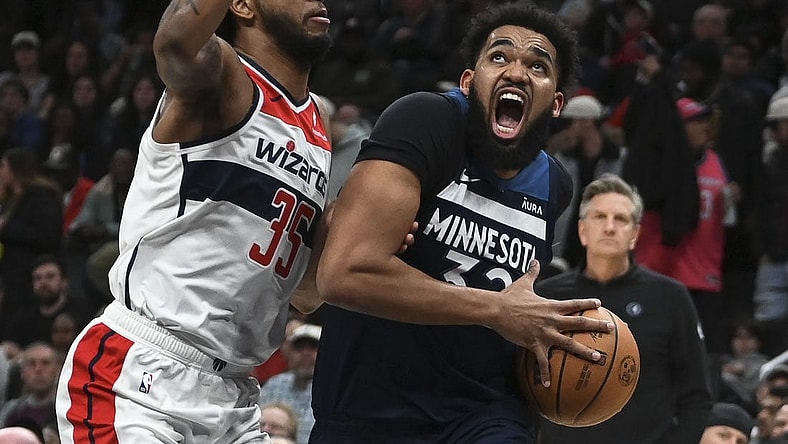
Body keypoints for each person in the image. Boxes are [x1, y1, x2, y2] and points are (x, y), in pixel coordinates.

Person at [310, 3, 615, 442]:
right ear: (469, 82)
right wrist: (496, 310)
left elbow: (519, 306)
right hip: (370, 409)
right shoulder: (424, 121)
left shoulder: (555, 186)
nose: (516, 72)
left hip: (483, 414)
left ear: (556, 104)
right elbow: (342, 275)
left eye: (537, 65)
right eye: (499, 57)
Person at [55, 0, 334, 443]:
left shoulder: (317, 126)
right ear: (242, 6)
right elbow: (175, 44)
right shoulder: (224, 73)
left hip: (235, 396)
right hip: (143, 377)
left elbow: (304, 294)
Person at [535, 174, 712, 443]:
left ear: (635, 234)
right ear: (582, 231)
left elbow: (697, 397)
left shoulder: (670, 297)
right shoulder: (548, 297)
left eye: (620, 219)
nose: (609, 227)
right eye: (600, 217)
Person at [635, 97, 733, 355]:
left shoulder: (716, 161)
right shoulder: (656, 163)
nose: (703, 127)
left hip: (705, 275)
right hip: (659, 270)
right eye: (695, 122)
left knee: (703, 355)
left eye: (704, 121)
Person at [547, 93, 625, 269]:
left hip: (601, 237)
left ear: (586, 123)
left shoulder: (619, 159)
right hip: (566, 240)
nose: (568, 130)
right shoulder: (563, 158)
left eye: (572, 123)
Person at [752, 96, 788, 357]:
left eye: (780, 124)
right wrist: (761, 249)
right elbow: (761, 209)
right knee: (770, 324)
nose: (775, 131)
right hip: (773, 255)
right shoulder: (771, 160)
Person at [2, 255, 94, 349]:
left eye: (50, 276)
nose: (43, 283)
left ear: (64, 282)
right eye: (38, 278)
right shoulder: (22, 318)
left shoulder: (83, 313)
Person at [259, 324, 320, 444]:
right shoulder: (275, 384)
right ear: (289, 353)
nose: (305, 353)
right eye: (299, 348)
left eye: (313, 347)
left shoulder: (333, 390)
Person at [0, 342, 59, 431]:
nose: (38, 369)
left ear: (57, 370)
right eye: (32, 363)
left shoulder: (67, 409)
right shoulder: (10, 411)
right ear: (22, 372)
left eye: (46, 363)